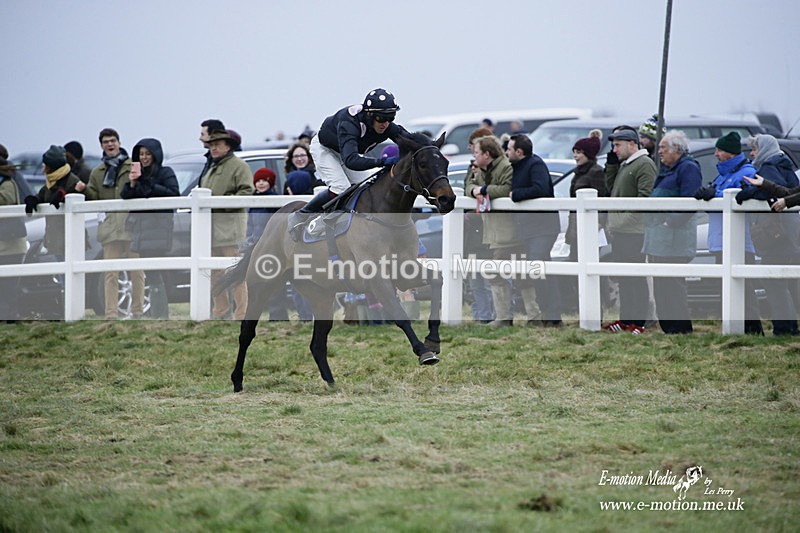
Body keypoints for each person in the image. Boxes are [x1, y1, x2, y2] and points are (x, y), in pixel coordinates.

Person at [291, 88, 410, 228]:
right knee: (340, 188)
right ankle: (302, 214)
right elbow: (351, 161)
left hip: (346, 152)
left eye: (391, 118)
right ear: (369, 114)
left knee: (367, 186)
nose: (385, 123)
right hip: (325, 149)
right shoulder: (350, 122)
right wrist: (383, 162)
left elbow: (412, 141)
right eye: (381, 118)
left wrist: (429, 147)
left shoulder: (386, 125)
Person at [694, 131, 763, 335]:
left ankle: (753, 331)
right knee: (727, 288)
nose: (715, 154)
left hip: (739, 242)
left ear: (730, 153)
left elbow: (740, 198)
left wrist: (713, 195)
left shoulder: (747, 172)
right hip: (721, 241)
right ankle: (734, 330)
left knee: (744, 289)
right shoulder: (723, 174)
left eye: (719, 150)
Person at [465, 135, 539, 327]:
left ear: (487, 154)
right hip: (494, 233)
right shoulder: (481, 169)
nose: (474, 155)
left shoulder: (506, 167)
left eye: (477, 152)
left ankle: (530, 316)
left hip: (511, 232)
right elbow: (469, 186)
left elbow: (507, 189)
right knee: (498, 274)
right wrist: (475, 191)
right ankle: (506, 317)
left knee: (521, 275)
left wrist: (483, 189)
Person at [738, 134, 800, 336]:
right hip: (791, 232)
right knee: (788, 282)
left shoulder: (769, 166)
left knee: (773, 282)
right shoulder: (785, 165)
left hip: (776, 235)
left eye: (754, 149)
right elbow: (789, 191)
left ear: (763, 149)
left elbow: (775, 194)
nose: (752, 154)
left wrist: (748, 192)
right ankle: (790, 327)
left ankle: (784, 328)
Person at [642, 131, 702, 334]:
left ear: (677, 149)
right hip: (660, 239)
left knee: (673, 286)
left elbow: (690, 201)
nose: (659, 151)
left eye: (663, 148)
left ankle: (680, 329)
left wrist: (670, 222)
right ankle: (668, 329)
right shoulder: (667, 170)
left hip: (674, 239)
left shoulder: (688, 168)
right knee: (661, 285)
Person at [84, 128, 145, 319]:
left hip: (132, 226)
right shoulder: (97, 172)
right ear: (101, 145)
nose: (110, 144)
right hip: (110, 228)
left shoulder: (133, 166)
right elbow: (93, 198)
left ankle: (138, 311)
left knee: (137, 271)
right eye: (105, 142)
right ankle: (111, 313)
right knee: (110, 273)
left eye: (112, 141)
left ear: (119, 142)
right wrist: (83, 190)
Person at [603, 128, 656, 334]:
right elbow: (611, 189)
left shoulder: (644, 164)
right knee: (624, 276)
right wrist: (611, 166)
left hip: (634, 232)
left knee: (635, 277)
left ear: (632, 144)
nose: (614, 149)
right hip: (622, 230)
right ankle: (626, 319)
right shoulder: (626, 164)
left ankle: (639, 321)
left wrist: (623, 220)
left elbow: (645, 198)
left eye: (618, 145)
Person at [120, 138, 180, 319]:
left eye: (148, 154)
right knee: (150, 272)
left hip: (158, 230)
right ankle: (158, 314)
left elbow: (174, 194)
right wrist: (133, 182)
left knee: (157, 271)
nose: (144, 157)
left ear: (155, 155)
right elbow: (126, 195)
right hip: (141, 231)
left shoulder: (165, 172)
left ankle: (161, 315)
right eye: (141, 154)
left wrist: (150, 185)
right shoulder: (138, 175)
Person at [507, 134, 562, 326]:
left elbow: (540, 189)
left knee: (539, 266)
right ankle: (547, 313)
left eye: (509, 149)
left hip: (543, 227)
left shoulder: (535, 165)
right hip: (529, 227)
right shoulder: (517, 166)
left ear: (519, 151)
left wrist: (515, 194)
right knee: (538, 269)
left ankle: (553, 315)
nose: (506, 152)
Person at [200, 129, 254, 320]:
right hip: (211, 230)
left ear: (228, 146)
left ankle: (242, 313)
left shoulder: (239, 166)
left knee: (236, 273)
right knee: (214, 273)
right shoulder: (212, 168)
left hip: (231, 229)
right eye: (211, 145)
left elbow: (247, 191)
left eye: (217, 145)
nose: (213, 148)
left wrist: (223, 203)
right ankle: (220, 311)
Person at [23, 145, 85, 259]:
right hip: (54, 237)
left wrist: (64, 195)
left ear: (51, 165)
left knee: (69, 267)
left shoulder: (72, 180)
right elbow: (42, 195)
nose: (42, 165)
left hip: (69, 237)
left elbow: (81, 198)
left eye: (45, 163)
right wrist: (33, 200)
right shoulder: (51, 180)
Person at [463, 127, 495, 323]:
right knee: (475, 280)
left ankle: (494, 316)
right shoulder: (472, 167)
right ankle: (481, 316)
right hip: (474, 232)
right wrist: (474, 189)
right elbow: (467, 187)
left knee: (491, 278)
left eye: (474, 146)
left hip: (489, 230)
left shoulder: (497, 167)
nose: (471, 150)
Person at [0, 150, 27, 322]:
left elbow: (6, 200)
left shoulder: (8, 183)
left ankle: (11, 319)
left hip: (10, 245)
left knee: (8, 287)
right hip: (5, 244)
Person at [246, 167, 278, 247]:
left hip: (270, 241)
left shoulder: (275, 200)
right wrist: (249, 239)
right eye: (258, 181)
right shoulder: (253, 200)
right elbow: (249, 224)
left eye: (264, 181)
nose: (261, 183)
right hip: (255, 242)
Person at [197, 118, 226, 183]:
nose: (200, 138)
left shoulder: (226, 160)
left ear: (213, 136)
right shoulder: (210, 158)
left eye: (203, 134)